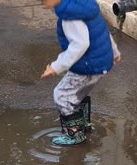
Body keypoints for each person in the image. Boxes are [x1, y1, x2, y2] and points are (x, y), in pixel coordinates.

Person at [41, 0, 121, 145]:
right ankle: (84, 125)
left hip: (87, 65)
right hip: (100, 62)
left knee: (62, 95)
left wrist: (56, 67)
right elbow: (102, 30)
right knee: (78, 93)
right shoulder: (85, 6)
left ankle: (74, 134)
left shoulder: (70, 15)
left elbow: (80, 45)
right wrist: (114, 51)